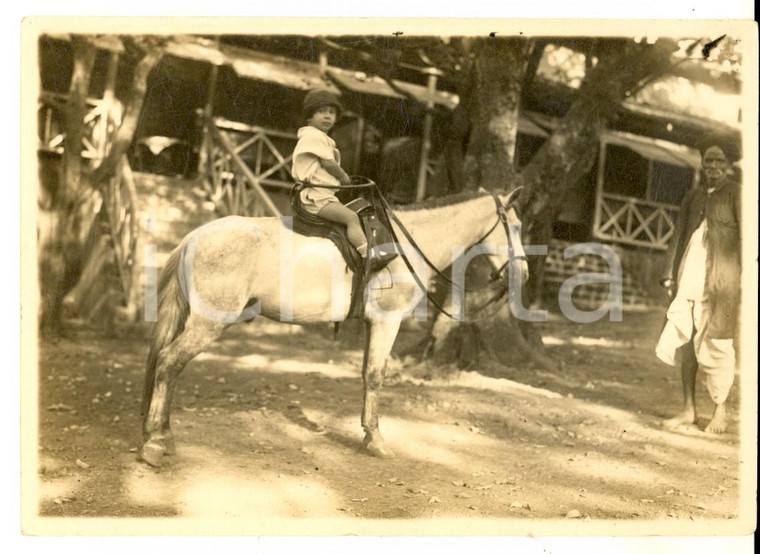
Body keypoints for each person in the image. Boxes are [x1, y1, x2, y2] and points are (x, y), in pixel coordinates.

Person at [656, 142, 741, 434]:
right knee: (687, 339)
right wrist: (669, 274)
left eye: (719, 161)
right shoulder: (692, 197)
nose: (713, 167)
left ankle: (720, 411)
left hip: (723, 280)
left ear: (729, 166)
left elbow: (747, 239)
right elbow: (678, 236)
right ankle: (689, 409)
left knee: (717, 341)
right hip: (690, 275)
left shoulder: (738, 194)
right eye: (708, 161)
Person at [292, 88, 396, 270]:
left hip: (321, 195)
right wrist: (343, 177)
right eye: (321, 112)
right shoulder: (313, 136)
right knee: (351, 217)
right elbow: (328, 163)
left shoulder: (318, 137)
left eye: (331, 113)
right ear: (309, 117)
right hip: (317, 198)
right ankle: (367, 257)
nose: (327, 116)